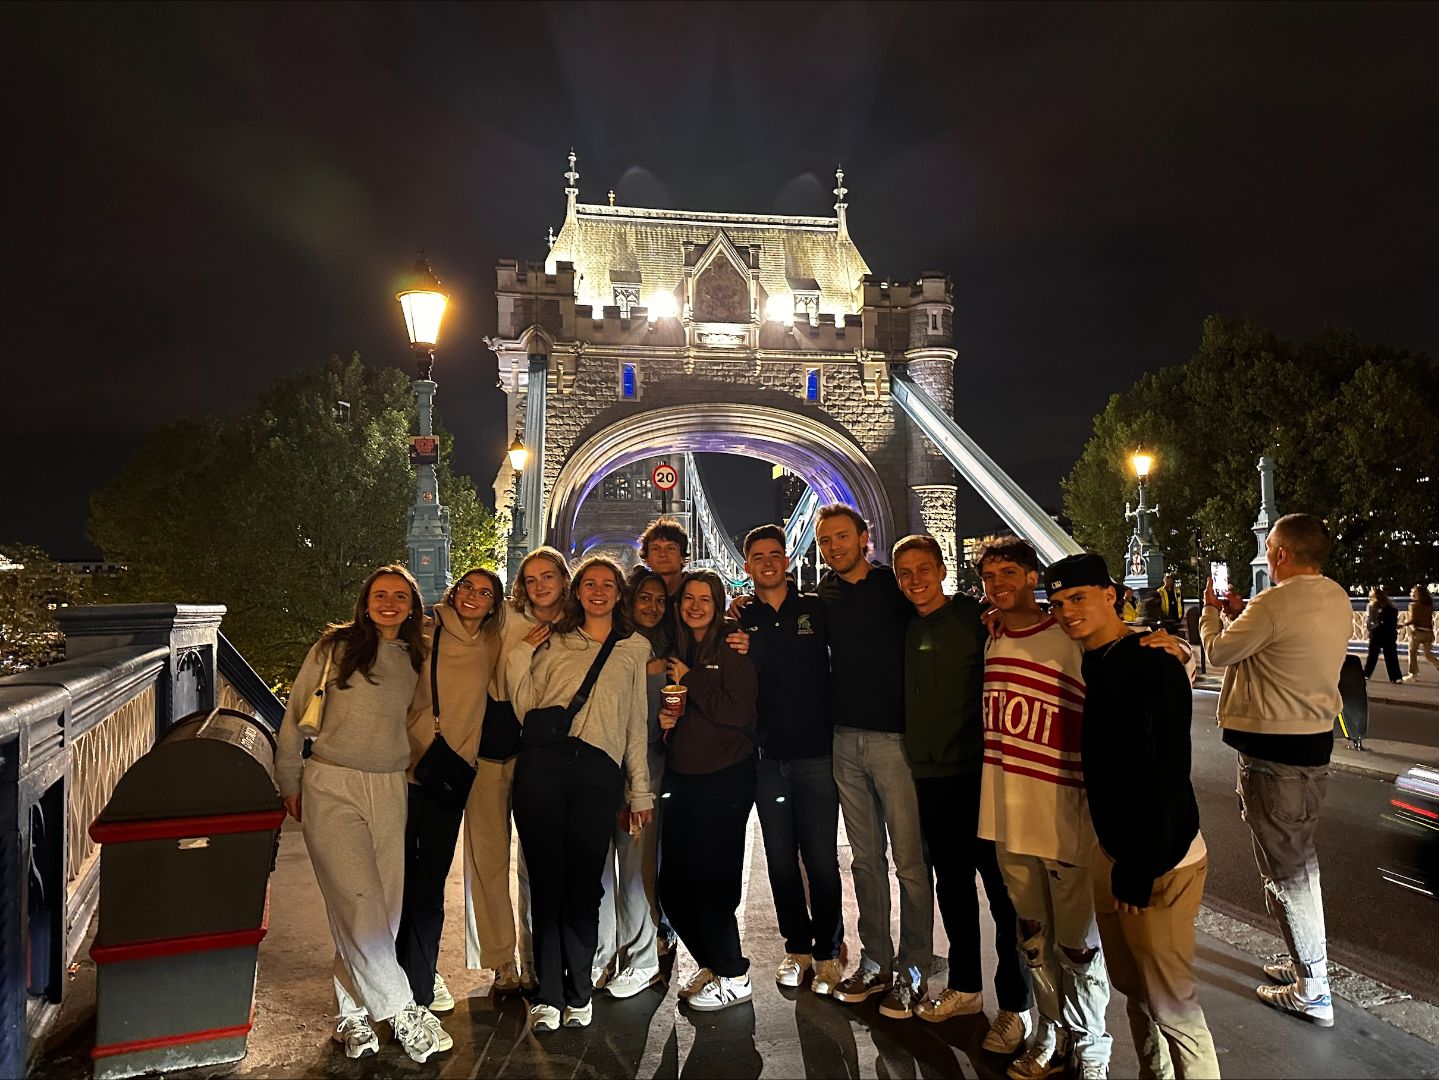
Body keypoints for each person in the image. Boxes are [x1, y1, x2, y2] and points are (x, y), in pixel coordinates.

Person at [1047, 552, 1220, 1079]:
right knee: (1135, 991)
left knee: (1175, 1007)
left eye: (1078, 598)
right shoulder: (1095, 657)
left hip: (1161, 860)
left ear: (1112, 594)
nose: (1067, 611)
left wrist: (1141, 867)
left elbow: (1167, 769)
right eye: (1057, 603)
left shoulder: (1152, 662)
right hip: (1115, 853)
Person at [276, 565, 452, 1063]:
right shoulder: (335, 647)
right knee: (358, 903)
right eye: (380, 594)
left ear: (414, 605)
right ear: (365, 600)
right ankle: (403, 1011)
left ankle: (351, 1015)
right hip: (332, 783)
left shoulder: (421, 653)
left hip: (392, 786)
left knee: (383, 912)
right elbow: (293, 716)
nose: (389, 603)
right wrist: (288, 777)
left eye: (401, 595)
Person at [1200, 513, 1353, 1027]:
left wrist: (1210, 614)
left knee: (1289, 873)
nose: (1267, 556)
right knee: (1296, 859)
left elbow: (1220, 652)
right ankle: (1302, 960)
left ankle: (1313, 988)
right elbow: (1281, 643)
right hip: (1312, 747)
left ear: (1282, 553)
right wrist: (1246, 613)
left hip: (1272, 755)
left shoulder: (1275, 601)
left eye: (1269, 548)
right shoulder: (1335, 595)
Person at [974, 535, 1112, 1078]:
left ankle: (1092, 1045)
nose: (998, 585)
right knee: (1032, 938)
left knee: (1079, 945)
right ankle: (1051, 1034)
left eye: (1009, 572)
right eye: (988, 577)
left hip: (1064, 812)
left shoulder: (1072, 636)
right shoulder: (991, 635)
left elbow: (1124, 657)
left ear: (1034, 576)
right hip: (1006, 816)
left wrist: (1173, 647)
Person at [891, 534, 1032, 1045]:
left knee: (1001, 892)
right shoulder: (901, 624)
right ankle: (967, 986)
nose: (915, 580)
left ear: (942, 567)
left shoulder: (978, 620)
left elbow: (1045, 628)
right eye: (904, 573)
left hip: (979, 773)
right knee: (951, 886)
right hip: (928, 777)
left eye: (923, 568)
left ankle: (1016, 1004)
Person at [508, 556, 654, 1032]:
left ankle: (579, 990)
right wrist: (519, 655)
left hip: (598, 772)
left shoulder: (635, 647)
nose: (597, 591)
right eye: (588, 583)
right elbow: (525, 703)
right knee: (547, 886)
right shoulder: (554, 640)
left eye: (606, 584)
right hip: (543, 768)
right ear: (578, 591)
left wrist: (640, 791)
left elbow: (635, 723)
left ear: (618, 592)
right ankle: (549, 993)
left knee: (585, 888)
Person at [816, 506, 934, 1021]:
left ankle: (913, 969)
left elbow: (942, 616)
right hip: (844, 738)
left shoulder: (895, 587)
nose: (833, 546)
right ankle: (875, 960)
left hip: (894, 740)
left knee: (910, 862)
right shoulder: (822, 595)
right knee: (865, 860)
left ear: (865, 539)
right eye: (824, 541)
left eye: (842, 537)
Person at [737, 524, 844, 995]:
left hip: (817, 755)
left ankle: (828, 952)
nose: (767, 562)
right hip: (767, 757)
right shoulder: (739, 619)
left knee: (821, 859)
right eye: (757, 555)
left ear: (788, 558)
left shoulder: (817, 609)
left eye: (775, 554)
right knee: (780, 859)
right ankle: (797, 948)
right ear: (747, 566)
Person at [397, 567, 504, 1017]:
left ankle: (422, 977)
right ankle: (393, 974)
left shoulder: (496, 642)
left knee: (430, 880)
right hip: (404, 769)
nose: (472, 597)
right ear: (454, 589)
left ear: (496, 604)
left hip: (453, 772)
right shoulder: (423, 630)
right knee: (396, 880)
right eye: (467, 587)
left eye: (485, 592)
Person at [659, 569, 760, 1011]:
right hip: (682, 775)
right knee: (671, 884)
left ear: (719, 604)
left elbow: (736, 714)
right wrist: (665, 726)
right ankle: (712, 961)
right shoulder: (677, 647)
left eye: (705, 599)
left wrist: (694, 677)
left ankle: (735, 975)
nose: (696, 606)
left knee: (712, 881)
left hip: (725, 777)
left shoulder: (733, 647)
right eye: (688, 599)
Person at [473, 546, 572, 995]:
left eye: (547, 576)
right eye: (530, 579)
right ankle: (501, 963)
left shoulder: (579, 625)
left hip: (544, 755)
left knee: (539, 864)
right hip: (491, 751)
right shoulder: (502, 620)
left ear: (563, 579)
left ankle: (536, 957)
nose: (539, 586)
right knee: (488, 862)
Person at [592, 566, 671, 998]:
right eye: (644, 598)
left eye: (660, 600)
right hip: (603, 767)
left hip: (645, 769)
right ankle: (602, 957)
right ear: (628, 600)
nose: (652, 607)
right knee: (600, 868)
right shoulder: (610, 646)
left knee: (637, 869)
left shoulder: (672, 655)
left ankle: (642, 959)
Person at [640, 516, 689, 638]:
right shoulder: (633, 597)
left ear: (683, 557)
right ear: (646, 559)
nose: (662, 554)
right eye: (655, 549)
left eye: (670, 548)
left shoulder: (699, 593)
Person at [1363, 587, 1402, 683]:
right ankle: (1396, 677)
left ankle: (1366, 674)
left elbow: (1370, 621)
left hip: (1376, 633)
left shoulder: (1372, 607)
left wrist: (1369, 629)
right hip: (1389, 634)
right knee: (1391, 656)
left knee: (1372, 656)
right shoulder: (1391, 608)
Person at [1403, 585, 1439, 681]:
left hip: (1417, 632)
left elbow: (1413, 620)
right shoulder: (1429, 605)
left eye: (1414, 592)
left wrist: (1402, 624)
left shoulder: (1413, 605)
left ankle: (1413, 673)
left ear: (1419, 595)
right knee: (1428, 654)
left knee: (1412, 651)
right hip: (1428, 633)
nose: (1411, 594)